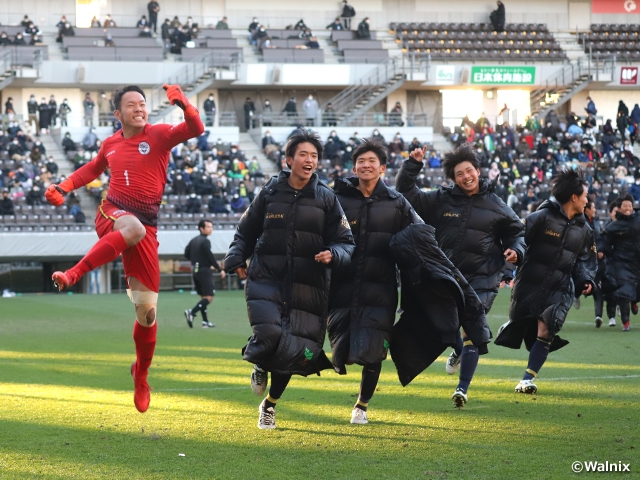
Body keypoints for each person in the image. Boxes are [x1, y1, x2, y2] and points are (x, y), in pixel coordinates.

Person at [44, 84, 204, 413]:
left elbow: (195, 127)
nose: (139, 108)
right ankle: (74, 274)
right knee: (131, 227)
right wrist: (64, 186)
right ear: (117, 114)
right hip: (113, 213)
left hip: (146, 227)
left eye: (142, 103)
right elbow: (92, 168)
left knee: (147, 314)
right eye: (131, 105)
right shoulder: (111, 144)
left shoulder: (160, 135)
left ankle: (141, 375)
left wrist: (183, 103)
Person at [223, 130, 355, 430]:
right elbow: (245, 230)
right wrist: (235, 260)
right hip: (266, 278)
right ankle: (258, 361)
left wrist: (333, 254)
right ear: (289, 160)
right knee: (269, 333)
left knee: (293, 349)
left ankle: (269, 405)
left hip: (309, 286)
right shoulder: (270, 192)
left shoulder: (327, 198)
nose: (310, 160)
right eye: (304, 155)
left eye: (314, 156)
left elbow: (346, 242)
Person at [396, 143, 525, 407]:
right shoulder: (441, 199)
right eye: (459, 174)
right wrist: (412, 165)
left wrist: (515, 251)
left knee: (471, 329)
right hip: (445, 276)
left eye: (469, 171)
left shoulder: (497, 205)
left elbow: (517, 233)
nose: (466, 177)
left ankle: (462, 388)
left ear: (478, 171)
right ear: (453, 179)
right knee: (446, 325)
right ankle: (457, 350)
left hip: (482, 278)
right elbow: (407, 194)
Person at [329, 139, 421, 424]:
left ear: (382, 168)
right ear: (354, 167)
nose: (366, 165)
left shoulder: (397, 203)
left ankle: (362, 406)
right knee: (341, 349)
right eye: (361, 161)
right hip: (341, 287)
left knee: (374, 349)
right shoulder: (338, 200)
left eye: (372, 161)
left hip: (381, 288)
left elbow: (419, 237)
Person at [495, 168, 597, 394]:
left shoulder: (585, 230)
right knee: (522, 321)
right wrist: (514, 253)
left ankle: (526, 380)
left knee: (546, 328)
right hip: (529, 281)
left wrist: (586, 280)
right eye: (585, 196)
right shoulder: (541, 217)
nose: (587, 200)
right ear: (574, 197)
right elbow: (517, 237)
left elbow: (584, 261)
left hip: (561, 287)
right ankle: (515, 325)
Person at [599, 194, 638, 332]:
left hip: (638, 262)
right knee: (624, 292)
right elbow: (603, 240)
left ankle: (634, 301)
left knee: (636, 290)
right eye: (624, 206)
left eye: (629, 205)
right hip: (622, 264)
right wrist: (600, 250)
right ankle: (626, 322)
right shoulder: (614, 226)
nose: (628, 208)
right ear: (619, 209)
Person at [184, 219, 226, 329]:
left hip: (196, 270)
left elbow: (186, 253)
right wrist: (219, 269)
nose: (211, 229)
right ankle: (191, 312)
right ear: (201, 229)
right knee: (209, 297)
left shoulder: (193, 240)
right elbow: (209, 256)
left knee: (203, 297)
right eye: (208, 227)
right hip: (204, 271)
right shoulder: (205, 241)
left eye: (211, 227)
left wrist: (195, 260)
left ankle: (205, 321)